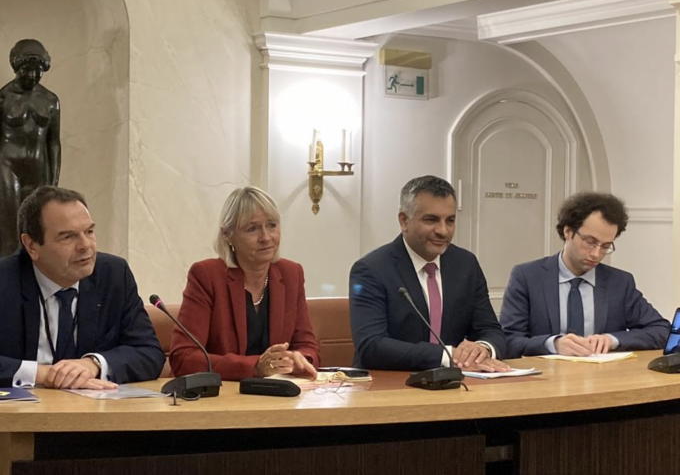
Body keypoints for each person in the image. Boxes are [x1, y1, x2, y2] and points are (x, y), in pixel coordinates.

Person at [0, 186, 165, 388]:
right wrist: (42, 374)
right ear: (32, 245)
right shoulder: (5, 280)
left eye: (89, 231)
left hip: (94, 412)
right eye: (68, 237)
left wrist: (93, 364)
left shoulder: (113, 275)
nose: (85, 245)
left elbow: (149, 352)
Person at [349, 175, 509, 372]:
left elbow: (491, 330)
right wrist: (447, 356)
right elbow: (371, 346)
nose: (443, 231)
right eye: (431, 220)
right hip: (389, 385)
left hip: (457, 384)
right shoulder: (371, 269)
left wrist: (482, 349)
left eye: (450, 220)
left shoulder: (465, 264)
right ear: (404, 221)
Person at [170, 186, 319, 381]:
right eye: (253, 229)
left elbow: (308, 346)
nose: (266, 237)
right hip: (217, 398)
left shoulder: (291, 274)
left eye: (272, 225)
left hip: (277, 398)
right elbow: (184, 358)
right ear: (227, 235)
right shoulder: (207, 276)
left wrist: (299, 358)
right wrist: (255, 367)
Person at [500, 192, 670, 359]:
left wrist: (612, 340)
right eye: (590, 242)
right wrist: (553, 344)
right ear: (568, 232)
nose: (596, 253)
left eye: (605, 246)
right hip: (546, 380)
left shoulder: (619, 282)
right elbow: (508, 340)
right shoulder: (528, 277)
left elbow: (661, 330)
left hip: (604, 380)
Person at [0, 40, 61, 257]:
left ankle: (32, 277)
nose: (33, 76)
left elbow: (53, 142)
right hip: (7, 166)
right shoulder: (4, 98)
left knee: (36, 226)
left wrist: (53, 180)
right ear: (17, 67)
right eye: (27, 70)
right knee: (9, 228)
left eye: (38, 72)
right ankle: (7, 279)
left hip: (38, 167)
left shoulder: (51, 100)